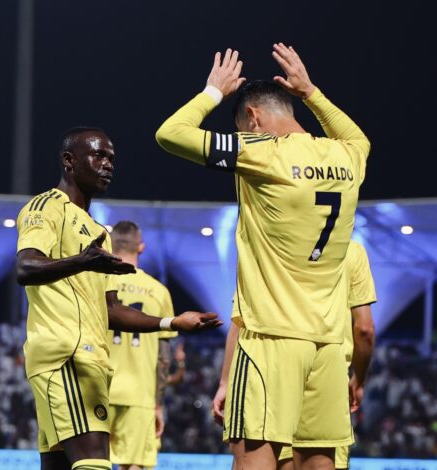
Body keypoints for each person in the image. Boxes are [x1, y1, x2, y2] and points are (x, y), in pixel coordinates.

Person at [156, 44, 369, 470]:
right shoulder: (348, 157)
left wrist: (213, 92)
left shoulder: (262, 152)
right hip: (328, 345)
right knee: (320, 461)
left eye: (243, 127)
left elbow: (170, 133)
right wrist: (311, 92)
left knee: (254, 459)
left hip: (272, 340)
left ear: (252, 118)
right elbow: (359, 137)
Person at [15, 127, 222, 470]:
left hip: (91, 360)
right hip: (66, 356)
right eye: (98, 155)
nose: (108, 164)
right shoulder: (46, 207)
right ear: (69, 161)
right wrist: (82, 261)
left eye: (111, 158)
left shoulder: (100, 233)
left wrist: (172, 322)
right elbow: (25, 267)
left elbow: (111, 310)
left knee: (59, 465)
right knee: (95, 460)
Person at [212, 240, 377, 470]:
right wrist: (359, 379)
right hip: (329, 372)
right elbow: (365, 329)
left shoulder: (270, 242)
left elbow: (241, 319)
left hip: (272, 368)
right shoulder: (352, 251)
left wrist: (225, 382)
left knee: (255, 460)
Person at [106, 220, 179, 470]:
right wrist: (158, 404)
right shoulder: (158, 292)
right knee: (134, 466)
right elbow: (164, 357)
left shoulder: (97, 284)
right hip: (139, 393)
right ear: (141, 247)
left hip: (98, 388)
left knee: (89, 461)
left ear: (110, 246)